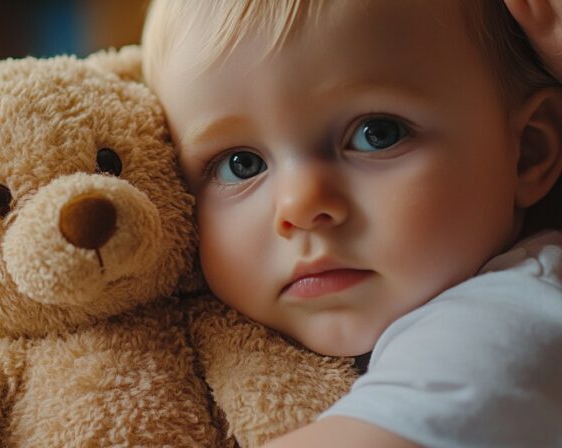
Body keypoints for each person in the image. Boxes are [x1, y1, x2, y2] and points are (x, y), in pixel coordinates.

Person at [141, 0, 562, 446]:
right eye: (240, 165)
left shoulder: (514, 313)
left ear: (528, 152)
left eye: (376, 134)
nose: (301, 205)